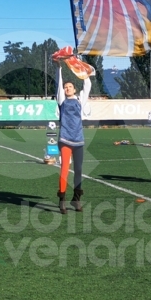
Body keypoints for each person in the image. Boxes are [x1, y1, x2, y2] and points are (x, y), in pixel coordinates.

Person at [55, 66, 91, 213]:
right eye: (65, 87)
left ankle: (76, 199)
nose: (67, 88)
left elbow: (87, 85)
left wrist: (82, 69)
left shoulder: (80, 99)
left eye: (70, 87)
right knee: (65, 168)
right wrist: (59, 67)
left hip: (78, 139)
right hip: (65, 138)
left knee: (78, 170)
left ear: (75, 89)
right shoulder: (62, 100)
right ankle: (62, 199)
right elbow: (58, 82)